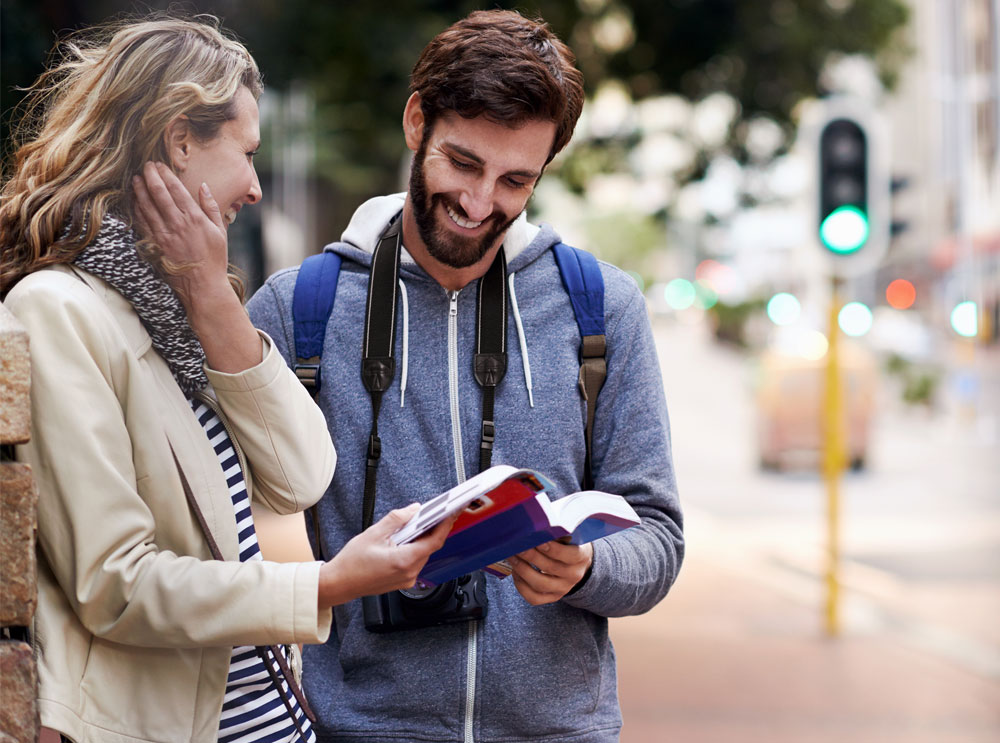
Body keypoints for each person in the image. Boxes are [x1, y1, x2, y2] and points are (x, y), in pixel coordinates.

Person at [0, 18, 451, 743]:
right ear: (181, 139)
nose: (253, 186)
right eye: (245, 153)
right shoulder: (58, 311)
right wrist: (332, 582)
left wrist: (212, 297)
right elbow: (116, 584)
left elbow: (302, 474)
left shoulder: (176, 303)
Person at [247, 9, 684, 743]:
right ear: (418, 121)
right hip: (359, 730)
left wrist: (585, 569)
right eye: (464, 163)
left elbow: (659, 536)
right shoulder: (302, 309)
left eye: (517, 180)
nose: (482, 204)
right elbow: (205, 524)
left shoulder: (601, 308)